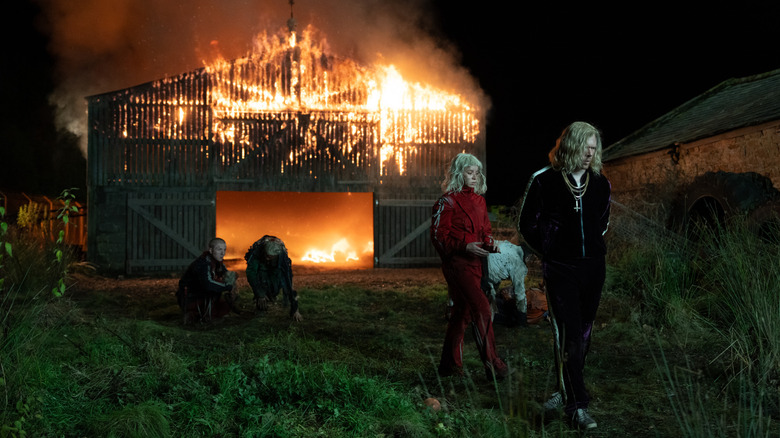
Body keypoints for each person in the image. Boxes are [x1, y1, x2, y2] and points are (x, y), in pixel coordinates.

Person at [518, 121, 611, 430]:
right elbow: (526, 224)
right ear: (570, 146)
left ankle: (564, 389)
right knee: (569, 333)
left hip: (593, 267)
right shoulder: (544, 180)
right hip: (561, 269)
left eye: (594, 148)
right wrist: (550, 250)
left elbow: (602, 222)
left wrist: (592, 248)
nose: (590, 153)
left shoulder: (600, 183)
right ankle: (577, 407)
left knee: (584, 333)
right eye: (585, 147)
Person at [431, 152, 508, 381]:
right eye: (469, 172)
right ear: (459, 173)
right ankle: (494, 366)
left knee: (462, 314)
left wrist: (490, 244)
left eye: (477, 173)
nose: (474, 177)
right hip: (457, 266)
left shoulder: (479, 201)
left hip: (476, 265)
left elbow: (485, 230)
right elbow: (438, 237)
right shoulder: (447, 202)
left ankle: (449, 367)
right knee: (482, 308)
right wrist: (465, 246)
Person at [177, 237, 239, 324]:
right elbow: (208, 284)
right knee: (215, 290)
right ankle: (195, 314)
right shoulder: (204, 263)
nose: (222, 253)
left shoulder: (217, 262)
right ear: (211, 250)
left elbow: (226, 273)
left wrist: (233, 281)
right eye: (219, 249)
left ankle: (207, 313)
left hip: (200, 293)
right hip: (190, 296)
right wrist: (228, 287)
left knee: (224, 305)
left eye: (224, 249)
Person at [245, 235, 303, 322]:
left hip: (275, 268)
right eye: (266, 255)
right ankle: (260, 303)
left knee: (275, 284)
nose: (267, 258)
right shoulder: (257, 252)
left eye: (270, 257)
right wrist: (260, 293)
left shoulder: (283, 259)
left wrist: (295, 309)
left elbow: (288, 282)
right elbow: (251, 274)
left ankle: (270, 296)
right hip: (261, 268)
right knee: (261, 282)